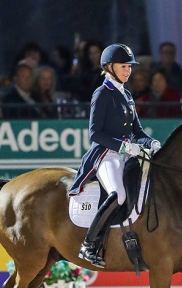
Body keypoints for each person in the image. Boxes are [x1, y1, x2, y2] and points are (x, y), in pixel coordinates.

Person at [68, 43, 161, 267]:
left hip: (127, 155)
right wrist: (125, 148)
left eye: (129, 66)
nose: (128, 70)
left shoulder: (127, 94)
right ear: (109, 67)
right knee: (118, 194)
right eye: (123, 66)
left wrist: (152, 142)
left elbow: (137, 131)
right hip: (106, 155)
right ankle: (89, 244)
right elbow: (95, 134)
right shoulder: (102, 94)